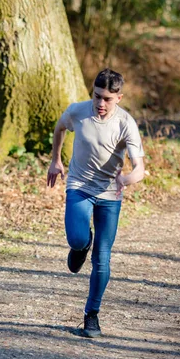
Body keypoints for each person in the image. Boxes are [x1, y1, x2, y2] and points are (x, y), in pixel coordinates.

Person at [47, 68, 145, 338]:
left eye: (108, 99)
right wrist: (55, 159)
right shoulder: (79, 111)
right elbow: (60, 126)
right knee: (78, 240)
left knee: (102, 258)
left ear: (119, 98)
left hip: (110, 195)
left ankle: (92, 315)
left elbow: (140, 168)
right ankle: (82, 245)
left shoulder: (126, 124)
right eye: (97, 96)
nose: (100, 104)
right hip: (79, 186)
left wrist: (124, 180)